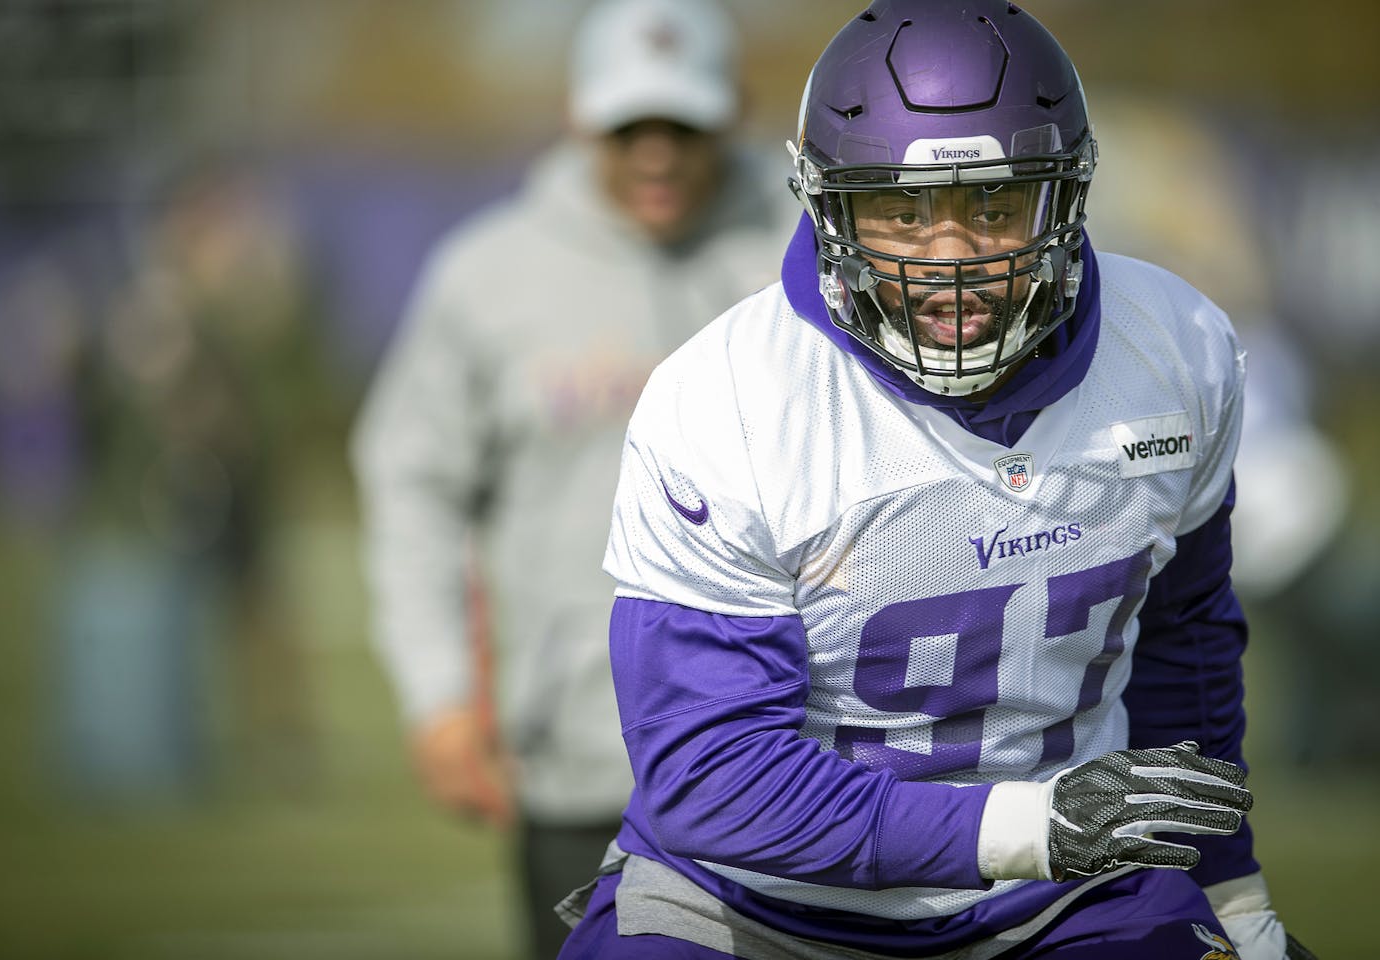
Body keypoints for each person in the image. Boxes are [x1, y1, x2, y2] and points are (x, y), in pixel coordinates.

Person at [558, 2, 1319, 958]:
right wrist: (1029, 830)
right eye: (901, 209)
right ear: (825, 203)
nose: (949, 255)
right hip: (755, 904)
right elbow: (713, 777)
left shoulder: (1175, 351)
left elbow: (1183, 648)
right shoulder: (732, 401)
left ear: (1067, 195)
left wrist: (1234, 894)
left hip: (1062, 902)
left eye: (995, 206)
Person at [350, 0, 797, 956]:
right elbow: (411, 489)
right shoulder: (485, 276)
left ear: (736, 109)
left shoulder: (807, 250)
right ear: (577, 115)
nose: (656, 153)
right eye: (628, 125)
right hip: (578, 770)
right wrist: (438, 701)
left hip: (797, 755)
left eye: (683, 124)